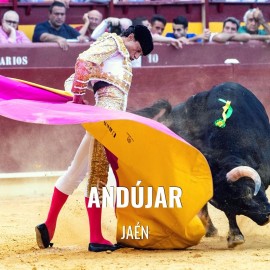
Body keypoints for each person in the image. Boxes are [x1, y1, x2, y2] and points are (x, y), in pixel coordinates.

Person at [35, 25, 154, 252]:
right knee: (98, 172)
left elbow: (74, 77)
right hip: (105, 120)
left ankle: (48, 226)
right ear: (130, 37)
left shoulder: (117, 55)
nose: (136, 56)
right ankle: (96, 237)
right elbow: (82, 64)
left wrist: (77, 94)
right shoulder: (113, 43)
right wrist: (78, 98)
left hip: (108, 119)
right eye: (137, 50)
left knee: (76, 170)